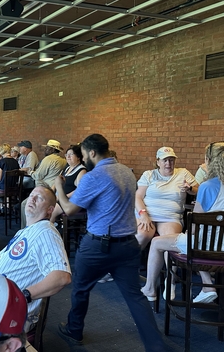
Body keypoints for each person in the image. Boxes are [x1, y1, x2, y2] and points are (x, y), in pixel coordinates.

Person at [55, 134, 165, 351]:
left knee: (80, 288)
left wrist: (58, 186)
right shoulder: (126, 172)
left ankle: (74, 330)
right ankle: (156, 347)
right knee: (135, 297)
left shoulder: (94, 176)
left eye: (84, 154)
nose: (83, 158)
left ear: (92, 153)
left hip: (97, 246)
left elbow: (68, 209)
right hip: (128, 245)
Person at [0, 185, 71, 329]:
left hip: (7, 313)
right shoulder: (24, 232)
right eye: (31, 195)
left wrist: (23, 296)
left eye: (39, 198)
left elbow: (62, 277)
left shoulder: (46, 232)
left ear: (50, 210)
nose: (32, 199)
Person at [141, 141, 224, 304]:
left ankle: (150, 288)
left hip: (206, 247)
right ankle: (207, 285)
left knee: (158, 243)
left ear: (208, 161)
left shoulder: (207, 187)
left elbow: (195, 227)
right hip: (222, 247)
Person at [135, 146, 199, 250]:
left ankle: (169, 266)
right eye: (165, 160)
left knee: (168, 242)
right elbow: (137, 197)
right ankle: (130, 264)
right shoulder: (149, 174)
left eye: (171, 160)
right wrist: (143, 214)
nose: (168, 164)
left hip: (170, 216)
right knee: (142, 235)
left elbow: (200, 190)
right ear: (158, 162)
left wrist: (190, 188)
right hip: (147, 213)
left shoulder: (183, 173)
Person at [20, 139, 67, 228]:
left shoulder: (48, 159)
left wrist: (30, 172)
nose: (45, 150)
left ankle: (25, 229)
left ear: (52, 149)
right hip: (56, 191)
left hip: (46, 189)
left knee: (24, 204)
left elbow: (38, 175)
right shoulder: (63, 160)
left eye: (47, 148)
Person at [51, 144, 87, 223]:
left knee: (50, 212)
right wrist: (50, 194)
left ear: (78, 157)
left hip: (68, 201)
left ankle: (49, 232)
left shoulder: (82, 171)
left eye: (71, 155)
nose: (68, 157)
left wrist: (62, 197)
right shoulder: (66, 168)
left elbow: (78, 191)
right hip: (59, 197)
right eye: (66, 155)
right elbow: (56, 182)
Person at [0, 143, 20, 215]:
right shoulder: (16, 162)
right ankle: (4, 207)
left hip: (4, 189)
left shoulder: (2, 162)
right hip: (14, 188)